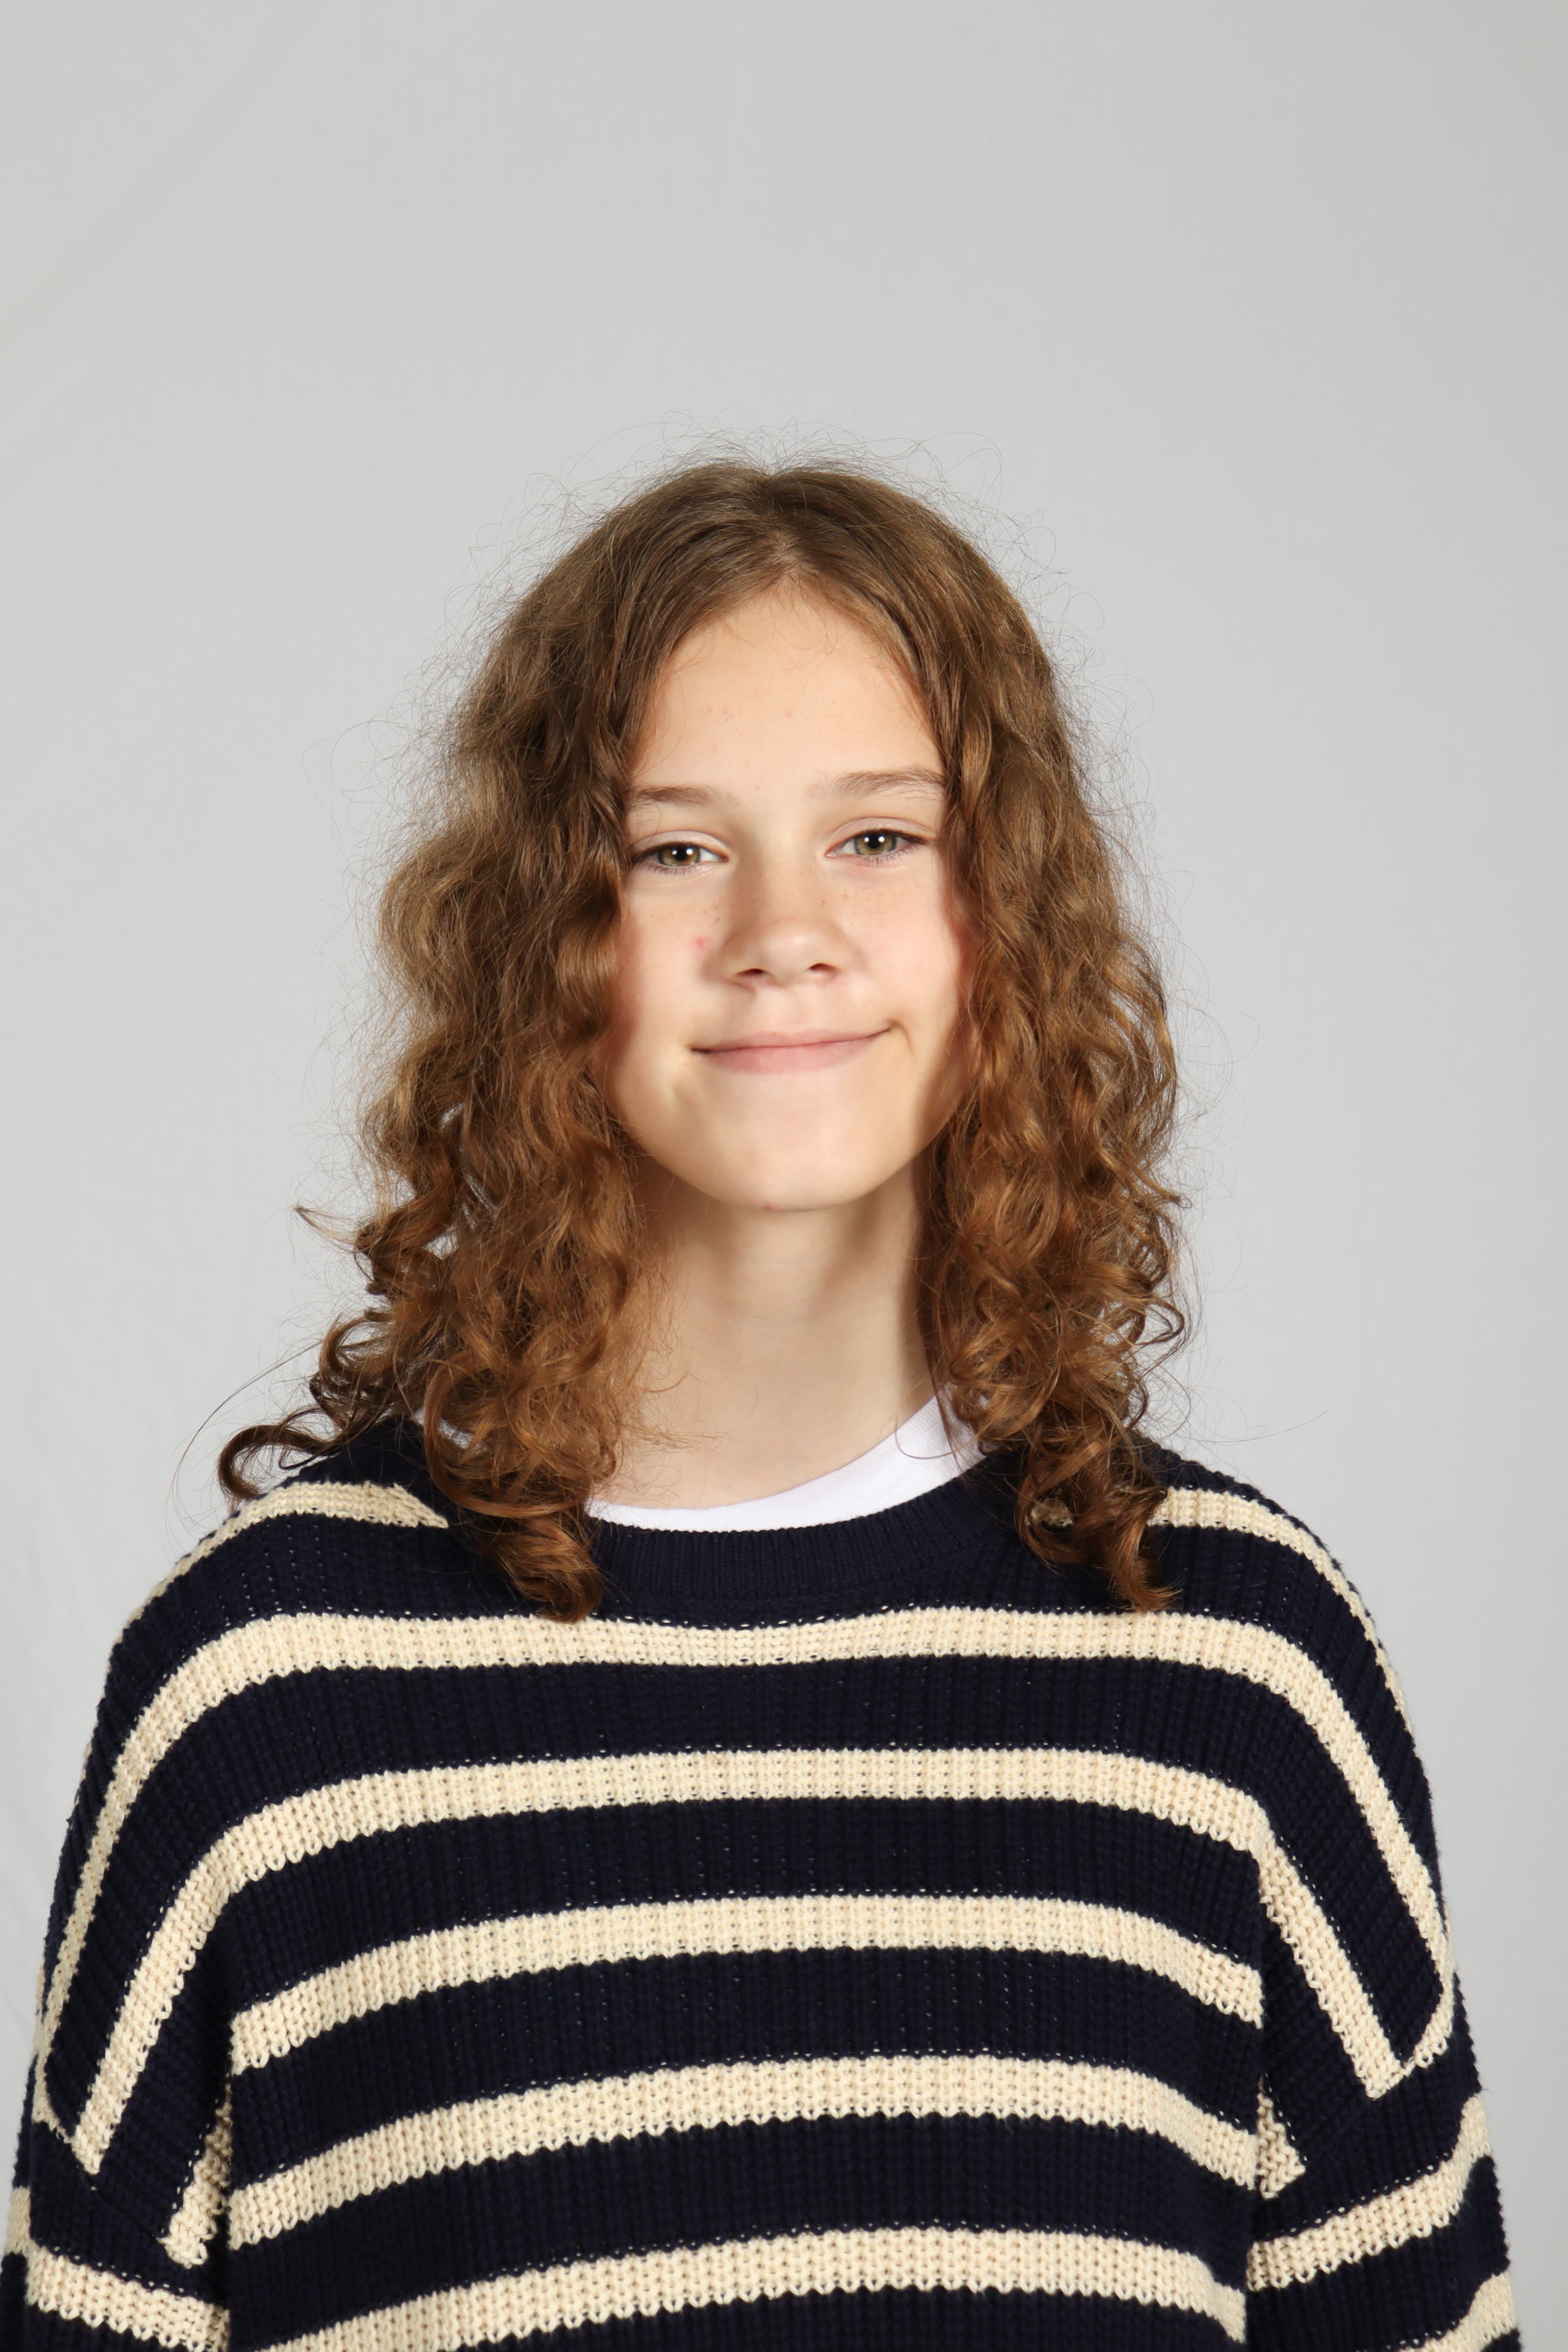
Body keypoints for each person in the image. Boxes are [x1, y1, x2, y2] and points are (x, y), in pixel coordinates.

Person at [2, 461, 1515, 2350]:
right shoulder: (262, 1690)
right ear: (540, 941)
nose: (783, 930)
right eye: (673, 850)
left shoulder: (1239, 1664)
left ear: (1006, 917)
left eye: (880, 835)